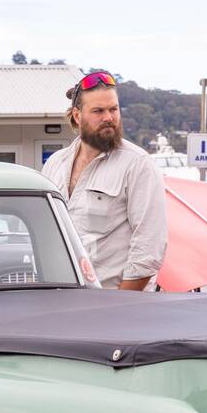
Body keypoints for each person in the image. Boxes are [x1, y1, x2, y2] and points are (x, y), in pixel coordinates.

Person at [42, 70, 167, 290]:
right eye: (98, 111)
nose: (109, 118)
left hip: (117, 307)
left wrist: (119, 304)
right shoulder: (55, 164)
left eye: (113, 109)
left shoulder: (138, 164)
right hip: (63, 300)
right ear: (77, 116)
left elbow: (149, 248)